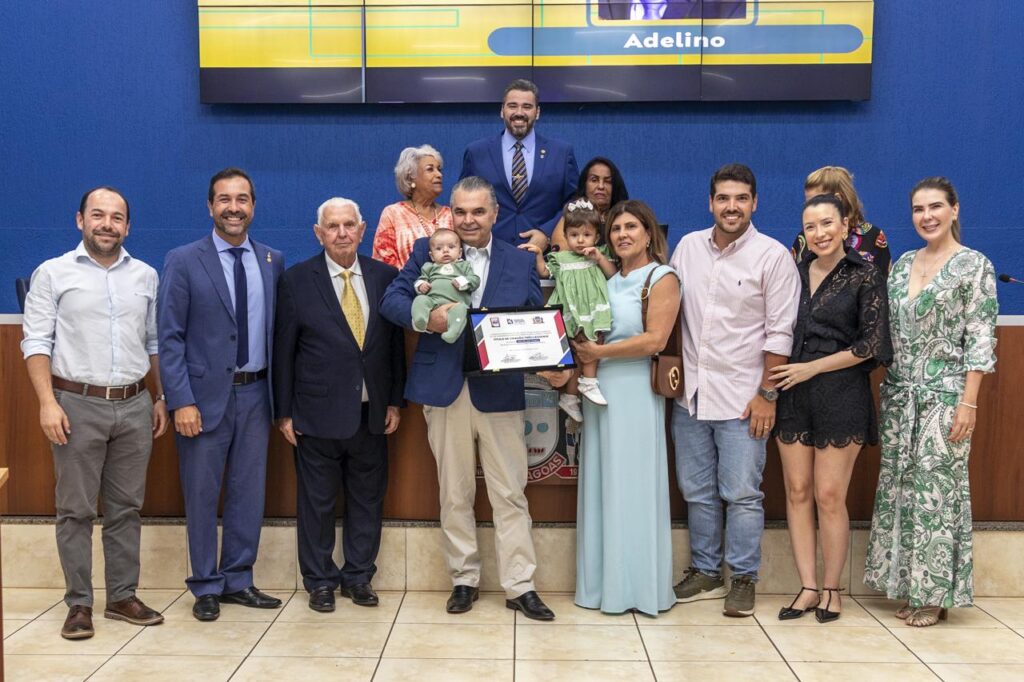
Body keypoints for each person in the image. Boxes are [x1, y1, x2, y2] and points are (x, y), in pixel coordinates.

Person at [380, 176, 556, 621]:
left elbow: (534, 320)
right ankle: (464, 579)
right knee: (453, 492)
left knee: (510, 494)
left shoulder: (520, 262)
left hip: (500, 392)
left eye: (478, 212)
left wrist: (547, 356)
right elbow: (392, 301)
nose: (468, 220)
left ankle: (520, 585)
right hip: (444, 389)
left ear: (495, 214)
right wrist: (429, 321)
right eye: (459, 212)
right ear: (449, 214)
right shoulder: (427, 251)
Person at [22, 187, 169, 640]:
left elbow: (154, 344)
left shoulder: (145, 275)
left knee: (126, 508)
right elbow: (36, 342)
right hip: (75, 404)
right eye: (98, 215)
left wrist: (159, 397)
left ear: (128, 226)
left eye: (117, 217)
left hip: (134, 403)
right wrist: (48, 403)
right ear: (80, 220)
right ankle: (79, 604)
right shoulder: (52, 273)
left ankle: (122, 596)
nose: (108, 224)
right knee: (76, 510)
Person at [864, 177, 998, 627]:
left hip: (946, 397)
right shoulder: (901, 265)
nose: (927, 216)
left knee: (936, 495)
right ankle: (908, 584)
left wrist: (969, 403)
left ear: (955, 210)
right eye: (919, 209)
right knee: (901, 491)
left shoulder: (974, 266)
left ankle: (934, 593)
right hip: (901, 395)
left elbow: (981, 338)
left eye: (936, 207)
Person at [669, 163, 800, 617]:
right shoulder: (687, 248)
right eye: (723, 198)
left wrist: (767, 394)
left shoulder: (772, 256)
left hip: (746, 400)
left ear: (754, 203)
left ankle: (743, 578)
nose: (731, 206)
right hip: (691, 396)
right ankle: (706, 571)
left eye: (741, 198)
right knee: (697, 490)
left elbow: (780, 333)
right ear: (710, 202)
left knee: (742, 493)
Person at [158, 167, 285, 621]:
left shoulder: (272, 260)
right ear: (209, 206)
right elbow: (169, 337)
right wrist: (180, 400)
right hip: (201, 400)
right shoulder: (183, 259)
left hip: (256, 396)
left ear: (253, 206)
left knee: (248, 492)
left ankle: (238, 579)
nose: (234, 207)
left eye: (243, 199)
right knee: (201, 492)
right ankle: (205, 584)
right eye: (225, 199)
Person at [274, 197, 405, 613]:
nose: (342, 233)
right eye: (333, 226)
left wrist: (395, 401)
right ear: (319, 233)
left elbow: (394, 348)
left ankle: (358, 577)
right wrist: (283, 412)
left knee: (368, 498)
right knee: (317, 502)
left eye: (349, 225)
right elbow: (283, 352)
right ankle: (320, 581)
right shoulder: (296, 280)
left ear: (363, 230)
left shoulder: (386, 277)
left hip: (372, 412)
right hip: (315, 414)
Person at [771, 194, 893, 623]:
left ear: (845, 227)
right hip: (792, 396)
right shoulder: (792, 273)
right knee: (798, 492)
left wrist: (812, 368)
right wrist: (794, 375)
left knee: (828, 495)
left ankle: (832, 589)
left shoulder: (865, 276)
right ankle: (806, 587)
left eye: (827, 224)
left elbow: (872, 346)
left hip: (842, 392)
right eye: (810, 227)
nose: (819, 233)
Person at [572, 199, 679, 616]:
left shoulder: (662, 277)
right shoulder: (611, 279)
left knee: (633, 486)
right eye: (615, 229)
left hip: (635, 388)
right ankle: (602, 588)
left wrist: (599, 350)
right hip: (600, 391)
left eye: (631, 227)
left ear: (649, 233)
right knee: (604, 485)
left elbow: (655, 340)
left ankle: (637, 589)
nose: (622, 235)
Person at [460, 79, 578, 249]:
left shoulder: (561, 152)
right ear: (502, 111)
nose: (519, 112)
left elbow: (574, 202)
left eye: (527, 107)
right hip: (489, 252)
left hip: (543, 256)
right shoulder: (476, 152)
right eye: (512, 106)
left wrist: (547, 233)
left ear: (537, 112)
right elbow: (463, 200)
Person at [524, 199, 616, 419]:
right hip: (570, 311)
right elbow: (545, 273)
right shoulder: (561, 258)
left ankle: (578, 390)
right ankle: (579, 390)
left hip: (591, 309)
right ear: (565, 236)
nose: (580, 240)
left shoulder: (597, 254)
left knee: (592, 344)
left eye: (586, 234)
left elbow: (612, 275)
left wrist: (600, 257)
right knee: (575, 353)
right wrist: (538, 255)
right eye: (574, 235)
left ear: (596, 236)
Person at [791, 166, 891, 275]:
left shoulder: (873, 236)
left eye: (817, 201)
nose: (811, 207)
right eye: (808, 203)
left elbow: (884, 283)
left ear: (838, 199)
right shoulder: (804, 239)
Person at [372, 144, 453, 269]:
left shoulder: (450, 214)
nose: (439, 174)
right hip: (406, 286)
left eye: (439, 169)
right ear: (411, 178)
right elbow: (384, 267)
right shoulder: (393, 213)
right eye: (430, 169)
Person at [412, 229, 480, 344]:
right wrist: (421, 285)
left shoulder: (463, 265)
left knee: (462, 310)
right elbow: (421, 279)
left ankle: (453, 332)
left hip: (456, 303)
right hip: (433, 301)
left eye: (451, 247)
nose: (445, 251)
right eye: (439, 249)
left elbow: (475, 280)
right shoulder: (429, 267)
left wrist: (463, 282)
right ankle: (420, 319)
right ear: (432, 255)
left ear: (459, 253)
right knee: (420, 300)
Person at [550, 157, 629, 252]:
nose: (601, 186)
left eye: (608, 181)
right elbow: (561, 253)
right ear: (585, 184)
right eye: (594, 180)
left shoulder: (624, 215)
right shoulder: (572, 214)